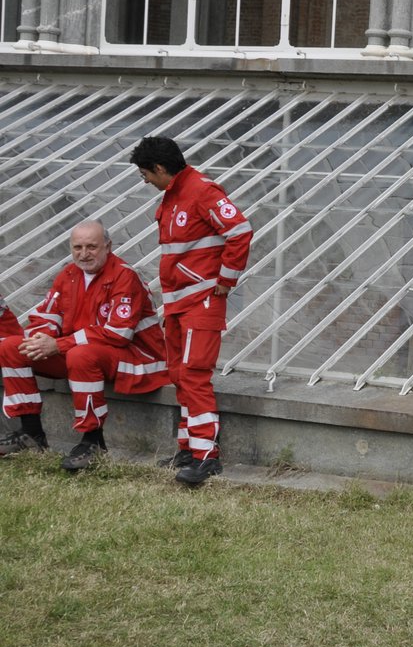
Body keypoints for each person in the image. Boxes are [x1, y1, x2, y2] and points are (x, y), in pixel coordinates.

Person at [131, 136, 253, 486]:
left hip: (200, 302)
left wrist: (226, 280)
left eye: (145, 175)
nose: (145, 182)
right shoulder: (173, 194)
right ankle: (189, 448)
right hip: (178, 302)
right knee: (179, 375)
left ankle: (206, 456)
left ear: (159, 168)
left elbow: (240, 231)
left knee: (195, 375)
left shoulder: (202, 191)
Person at [0, 221, 168, 471]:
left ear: (108, 246)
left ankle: (93, 441)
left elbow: (119, 333)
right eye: (77, 247)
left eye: (91, 246)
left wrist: (58, 344)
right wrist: (40, 338)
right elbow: (47, 315)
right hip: (83, 354)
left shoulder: (124, 276)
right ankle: (32, 433)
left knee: (81, 355)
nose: (83, 253)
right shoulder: (69, 274)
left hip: (138, 360)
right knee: (11, 348)